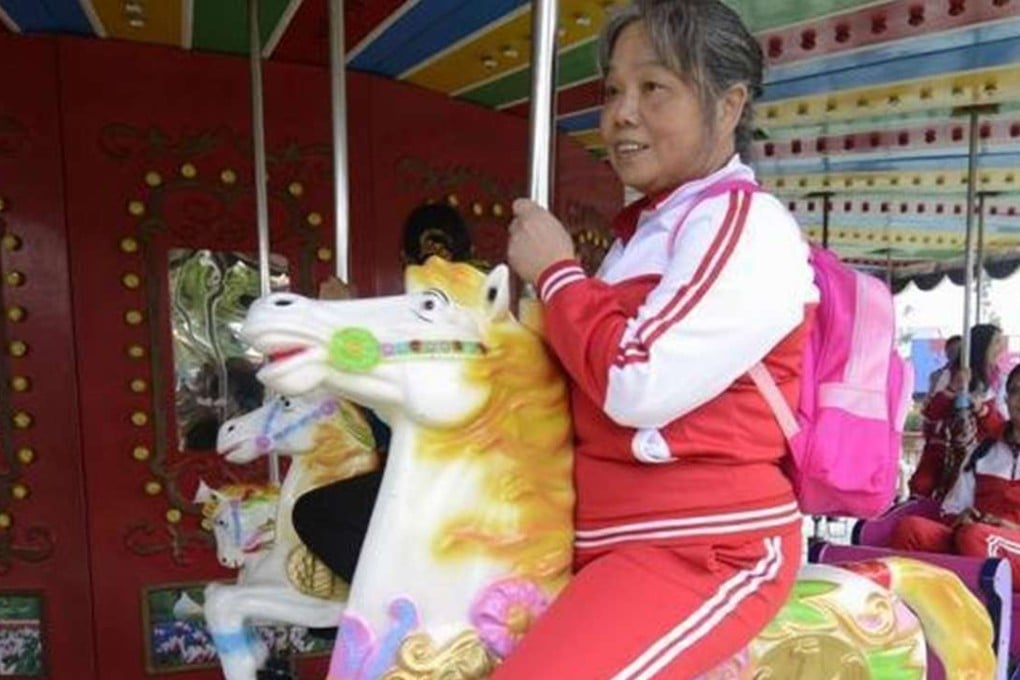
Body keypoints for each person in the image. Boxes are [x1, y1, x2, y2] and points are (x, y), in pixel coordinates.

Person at [499, 1, 817, 676]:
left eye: (654, 88)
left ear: (728, 104)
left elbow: (637, 382)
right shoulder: (642, 235)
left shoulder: (744, 225)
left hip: (698, 546)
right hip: (599, 533)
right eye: (613, 90)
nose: (622, 113)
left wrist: (558, 275)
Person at [292, 203, 473, 583]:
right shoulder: (481, 311)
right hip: (464, 464)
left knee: (314, 512)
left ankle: (396, 598)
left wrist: (345, 318)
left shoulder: (417, 319)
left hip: (440, 471)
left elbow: (395, 408)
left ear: (405, 260)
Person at [890, 364, 1020, 586]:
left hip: (1000, 543)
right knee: (910, 529)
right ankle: (920, 612)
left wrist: (1010, 529)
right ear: (1007, 399)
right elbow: (952, 507)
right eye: (1016, 390)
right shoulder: (984, 450)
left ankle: (986, 614)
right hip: (976, 539)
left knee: (977, 537)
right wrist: (962, 517)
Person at [908, 324, 1007, 500]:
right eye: (997, 342)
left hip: (978, 454)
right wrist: (954, 387)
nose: (1002, 347)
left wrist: (981, 409)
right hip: (944, 451)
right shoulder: (948, 375)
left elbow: (999, 425)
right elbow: (931, 413)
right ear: (983, 346)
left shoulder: (998, 382)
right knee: (924, 488)